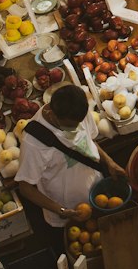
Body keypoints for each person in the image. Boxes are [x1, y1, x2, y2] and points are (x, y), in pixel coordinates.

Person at [15, 84, 124, 235]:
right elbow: (25, 187)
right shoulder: (34, 142)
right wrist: (60, 209)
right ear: (52, 114)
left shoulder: (78, 109)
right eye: (69, 125)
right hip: (69, 207)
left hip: (97, 191)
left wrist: (109, 161)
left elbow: (89, 140)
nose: (75, 128)